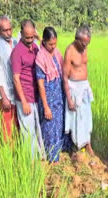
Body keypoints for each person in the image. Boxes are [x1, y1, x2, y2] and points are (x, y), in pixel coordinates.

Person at [11, 19, 45, 157]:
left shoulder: (35, 47)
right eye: (27, 37)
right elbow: (15, 78)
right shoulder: (17, 52)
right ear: (20, 34)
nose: (30, 40)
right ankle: (30, 162)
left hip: (35, 95)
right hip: (24, 97)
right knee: (27, 130)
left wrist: (38, 38)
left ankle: (38, 157)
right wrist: (24, 102)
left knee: (36, 128)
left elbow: (47, 50)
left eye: (32, 36)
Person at [36, 27, 70, 163]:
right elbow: (40, 84)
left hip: (59, 95)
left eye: (55, 43)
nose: (53, 46)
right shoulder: (40, 58)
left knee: (59, 124)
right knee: (49, 127)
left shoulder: (56, 53)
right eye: (50, 44)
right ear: (44, 42)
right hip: (48, 96)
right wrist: (46, 106)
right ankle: (51, 157)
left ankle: (59, 151)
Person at [63, 25, 95, 156]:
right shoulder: (70, 51)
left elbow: (84, 66)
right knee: (76, 120)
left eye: (88, 43)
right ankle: (76, 148)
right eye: (83, 43)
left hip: (84, 87)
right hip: (74, 88)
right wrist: (69, 99)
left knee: (87, 118)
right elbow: (64, 77)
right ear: (77, 39)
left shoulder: (85, 48)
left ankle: (88, 145)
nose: (85, 46)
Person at [0, 15, 18, 141]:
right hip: (6, 92)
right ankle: (9, 152)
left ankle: (19, 149)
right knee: (7, 125)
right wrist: (4, 97)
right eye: (5, 30)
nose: (9, 32)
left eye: (10, 29)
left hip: (19, 91)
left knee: (19, 122)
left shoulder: (16, 42)